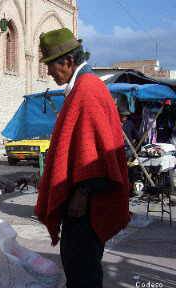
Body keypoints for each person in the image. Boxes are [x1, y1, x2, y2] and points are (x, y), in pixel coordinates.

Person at [35, 28, 130, 288]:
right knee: (79, 270)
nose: (49, 72)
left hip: (86, 206)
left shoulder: (87, 90)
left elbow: (98, 154)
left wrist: (84, 192)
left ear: (67, 61)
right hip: (83, 202)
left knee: (82, 273)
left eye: (51, 66)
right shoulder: (83, 87)